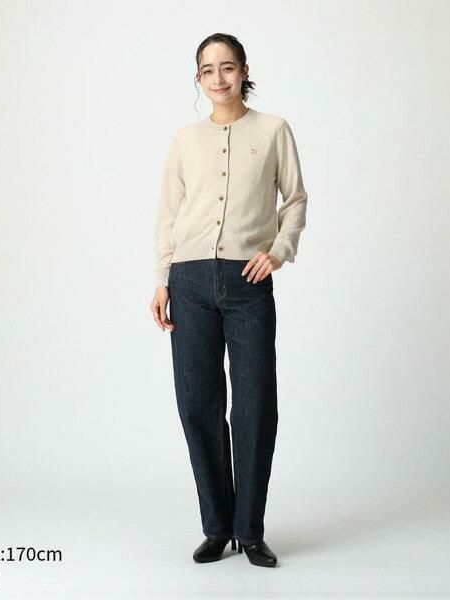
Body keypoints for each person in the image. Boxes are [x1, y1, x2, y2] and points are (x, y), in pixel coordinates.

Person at [150, 33, 308, 568]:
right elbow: (168, 215)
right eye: (207, 70)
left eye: (227, 67)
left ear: (243, 71)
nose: (218, 78)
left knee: (256, 404)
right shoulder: (184, 141)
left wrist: (279, 250)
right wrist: (162, 280)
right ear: (198, 78)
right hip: (189, 279)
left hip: (247, 281)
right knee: (197, 403)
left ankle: (250, 530)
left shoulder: (273, 131)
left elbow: (295, 199)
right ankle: (217, 527)